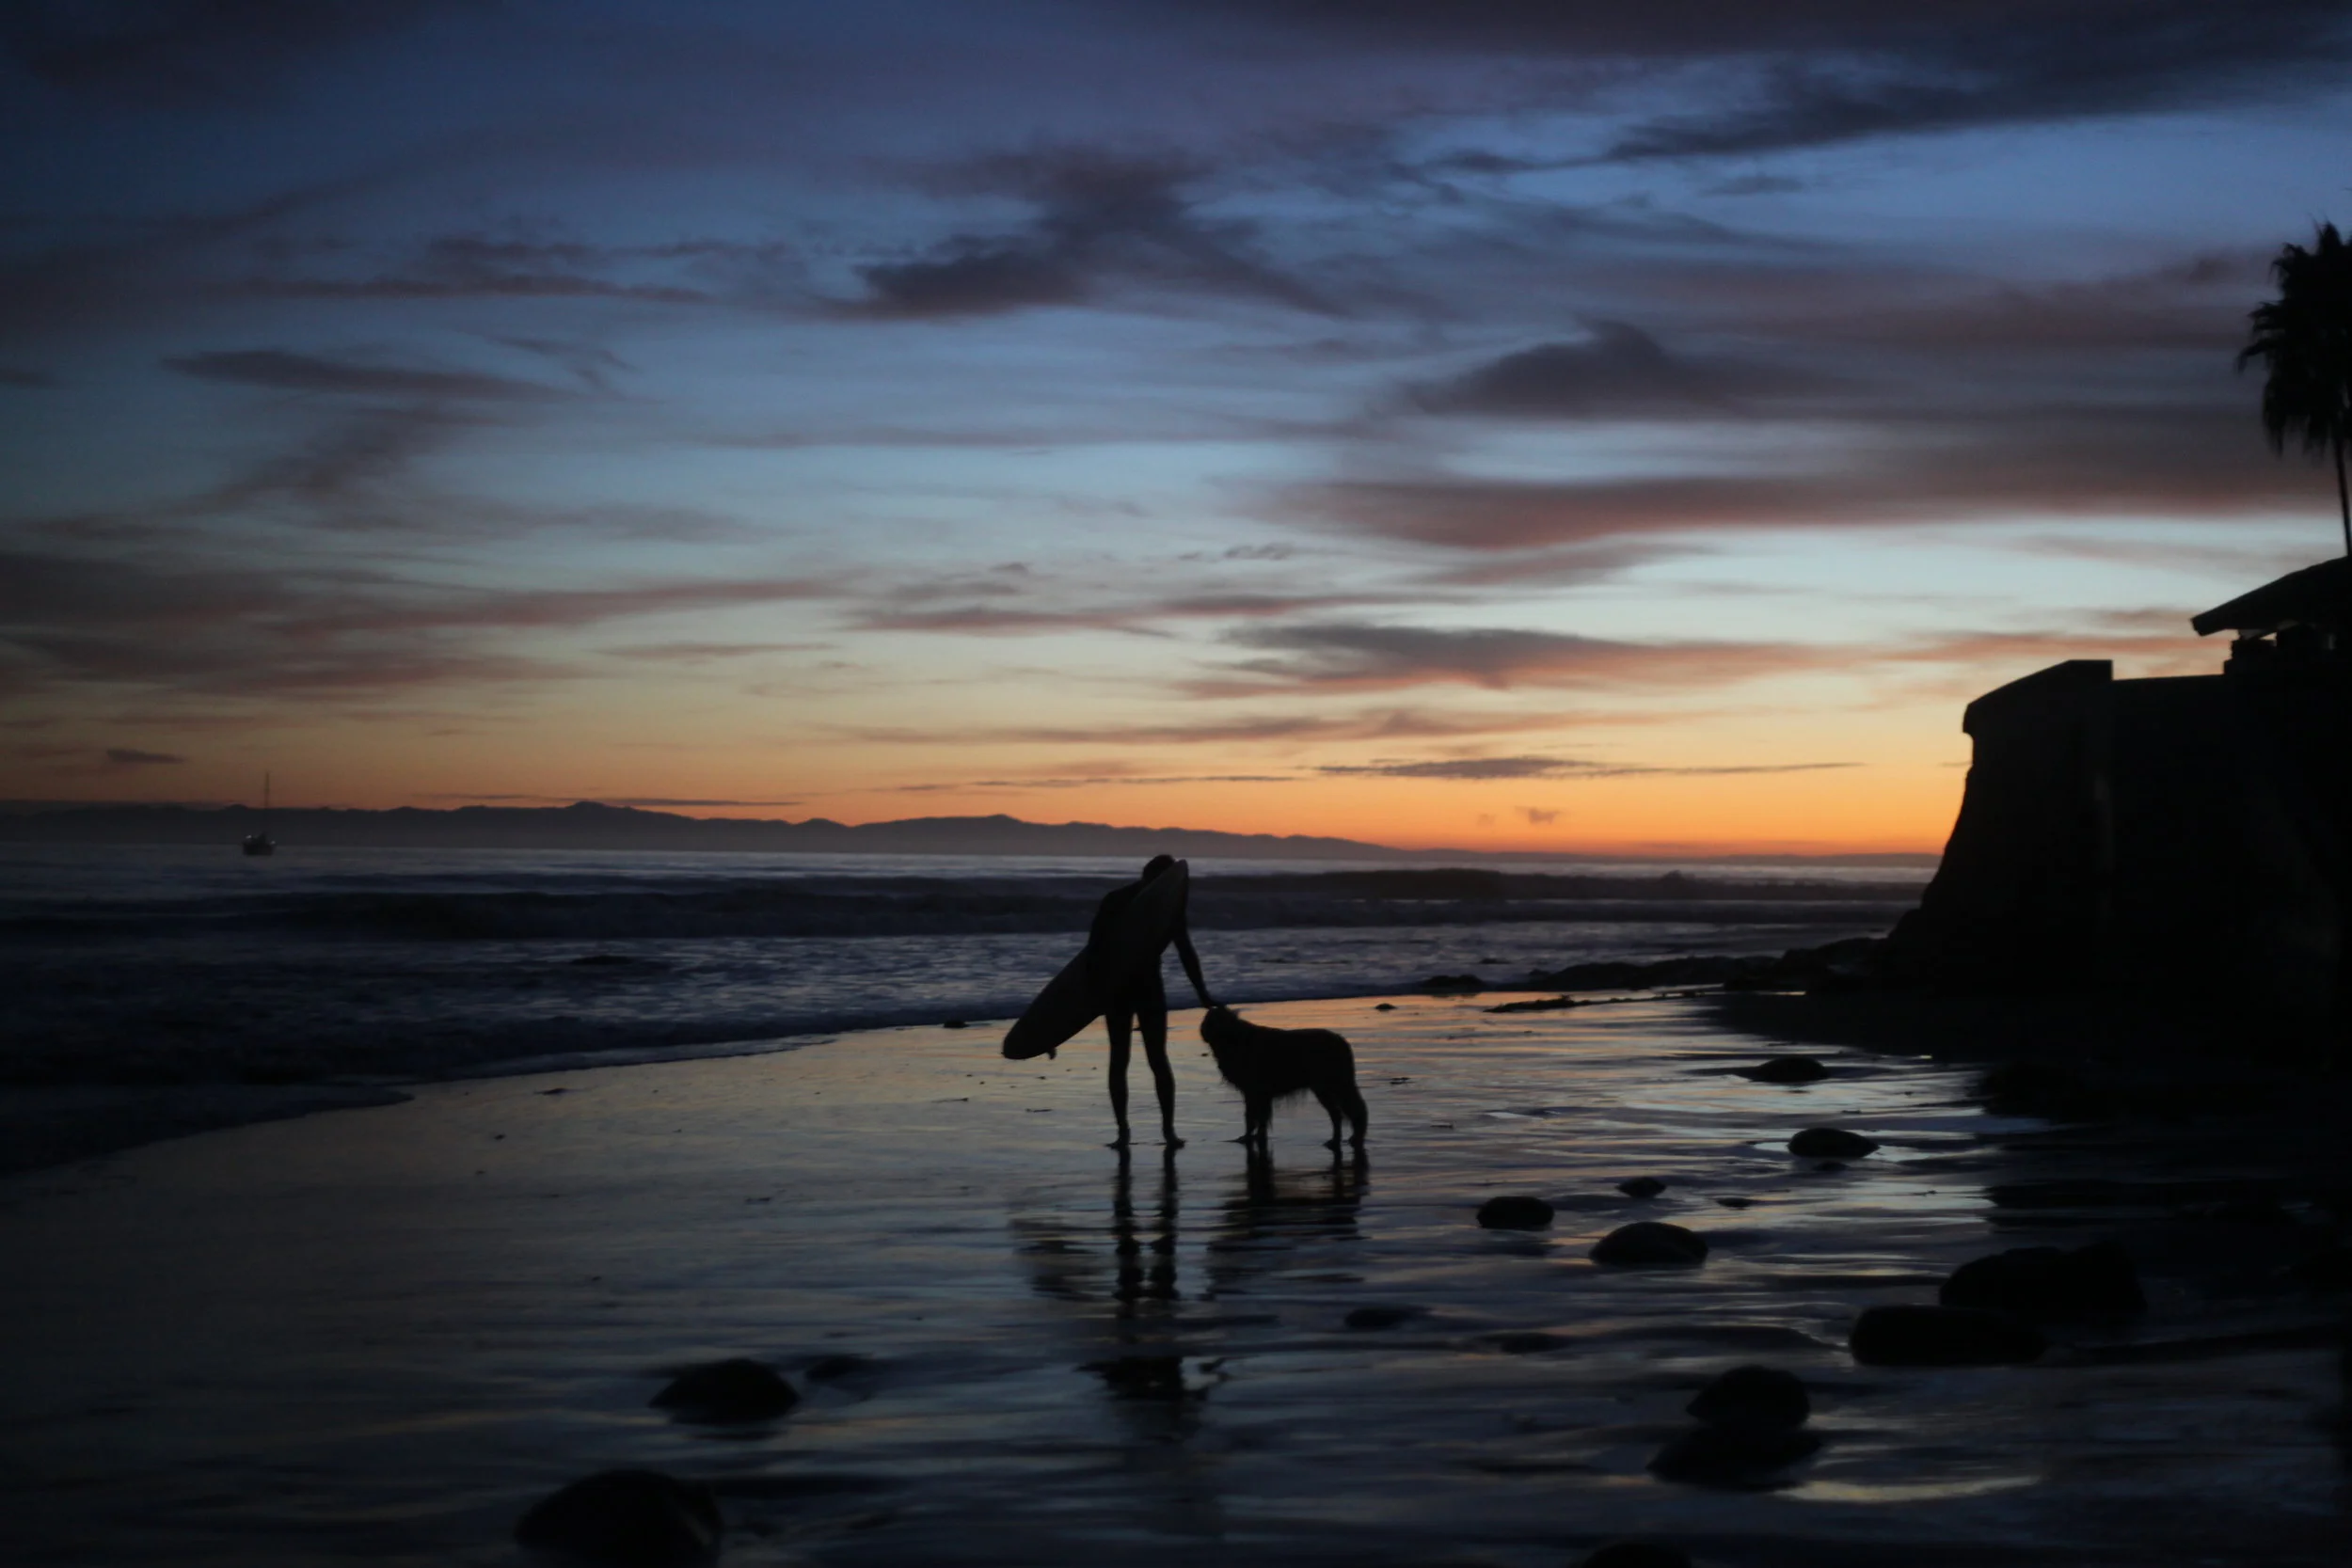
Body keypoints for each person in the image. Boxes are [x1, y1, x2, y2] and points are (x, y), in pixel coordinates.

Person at [1086, 854, 1215, 1150]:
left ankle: (1168, 1131)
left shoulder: (1167, 908)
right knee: (1121, 1059)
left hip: (1146, 988)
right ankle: (1123, 1132)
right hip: (1120, 989)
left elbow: (1185, 950)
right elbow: (1093, 953)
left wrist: (1201, 992)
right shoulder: (1117, 901)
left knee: (1156, 1059)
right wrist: (1084, 1000)